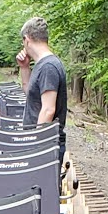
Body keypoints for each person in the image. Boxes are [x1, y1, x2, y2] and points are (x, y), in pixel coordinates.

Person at [20, 17, 67, 156]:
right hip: (42, 143)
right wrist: (24, 68)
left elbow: (48, 110)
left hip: (45, 145)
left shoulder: (48, 67)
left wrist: (35, 143)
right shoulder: (42, 65)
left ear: (27, 39)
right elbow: (31, 96)